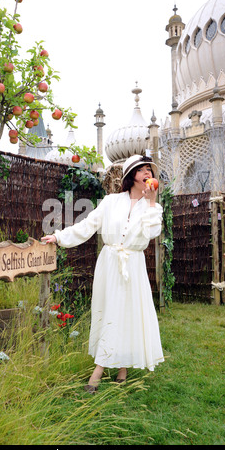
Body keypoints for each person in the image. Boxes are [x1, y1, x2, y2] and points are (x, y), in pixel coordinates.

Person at [41, 154, 164, 393]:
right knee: (111, 312)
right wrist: (58, 237)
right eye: (142, 169)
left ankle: (103, 372)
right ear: (132, 176)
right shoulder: (111, 201)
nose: (148, 173)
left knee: (127, 314)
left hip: (133, 265)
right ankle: (116, 368)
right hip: (110, 264)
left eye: (150, 170)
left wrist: (151, 202)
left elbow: (152, 232)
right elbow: (87, 226)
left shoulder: (153, 207)